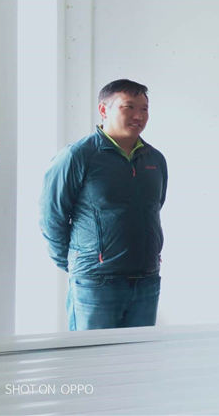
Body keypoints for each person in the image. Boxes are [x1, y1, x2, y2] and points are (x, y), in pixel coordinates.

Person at [40, 79, 167, 331]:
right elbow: (52, 217)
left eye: (144, 109)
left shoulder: (155, 159)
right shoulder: (78, 155)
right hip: (96, 284)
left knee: (138, 355)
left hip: (146, 280)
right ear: (103, 110)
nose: (138, 116)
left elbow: (154, 207)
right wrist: (80, 264)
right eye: (128, 107)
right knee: (92, 355)